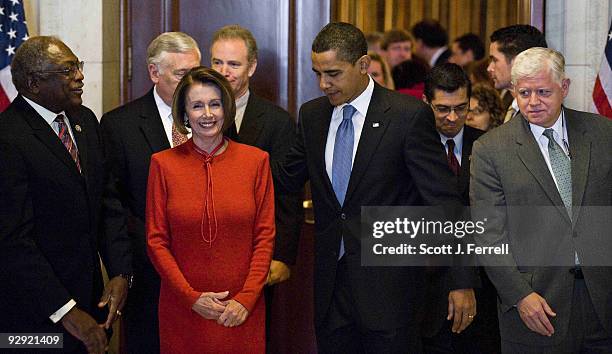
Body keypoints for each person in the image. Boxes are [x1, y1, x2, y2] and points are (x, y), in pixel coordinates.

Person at [273, 22, 478, 353]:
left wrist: (461, 281)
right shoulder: (313, 116)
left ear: (364, 65)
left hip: (390, 292)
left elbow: (444, 202)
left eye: (333, 73)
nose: (323, 84)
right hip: (331, 290)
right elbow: (284, 179)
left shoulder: (406, 116)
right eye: (318, 73)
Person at [471, 47, 612, 353]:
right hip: (536, 306)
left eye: (543, 91)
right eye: (524, 92)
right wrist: (519, 295)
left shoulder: (603, 133)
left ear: (565, 87)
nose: (533, 102)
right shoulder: (491, 150)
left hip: (602, 301)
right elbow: (488, 234)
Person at [0, 36, 132, 354]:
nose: (80, 76)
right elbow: (12, 241)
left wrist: (120, 271)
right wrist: (66, 310)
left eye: (78, 66)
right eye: (67, 69)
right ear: (34, 82)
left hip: (92, 304)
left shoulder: (84, 120)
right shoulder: (8, 137)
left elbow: (107, 201)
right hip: (33, 320)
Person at [146, 66, 275, 353]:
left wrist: (246, 299)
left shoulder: (256, 161)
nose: (207, 114)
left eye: (215, 104)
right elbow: (156, 241)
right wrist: (191, 297)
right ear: (184, 113)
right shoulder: (162, 164)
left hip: (241, 311)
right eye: (197, 106)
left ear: (226, 109)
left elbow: (265, 237)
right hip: (183, 309)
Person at [100, 31, 201, 354]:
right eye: (182, 75)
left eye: (196, 73)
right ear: (154, 73)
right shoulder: (119, 125)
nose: (192, 84)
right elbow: (112, 206)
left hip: (207, 270)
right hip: (149, 275)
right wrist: (122, 270)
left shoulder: (212, 116)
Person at [209, 24, 302, 346]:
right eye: (217, 62)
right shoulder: (192, 116)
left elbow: (288, 193)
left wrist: (283, 256)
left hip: (256, 257)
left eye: (233, 64)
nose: (224, 71)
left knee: (252, 338)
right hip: (204, 255)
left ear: (251, 67)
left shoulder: (277, 122)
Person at [421, 63, 500, 354]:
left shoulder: (486, 147)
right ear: (425, 102)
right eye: (442, 109)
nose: (452, 118)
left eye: (461, 108)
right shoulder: (411, 146)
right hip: (426, 290)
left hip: (482, 288)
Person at [487, 25, 547, 121]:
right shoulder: (508, 104)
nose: (489, 68)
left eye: (495, 60)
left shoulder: (539, 114)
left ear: (517, 61)